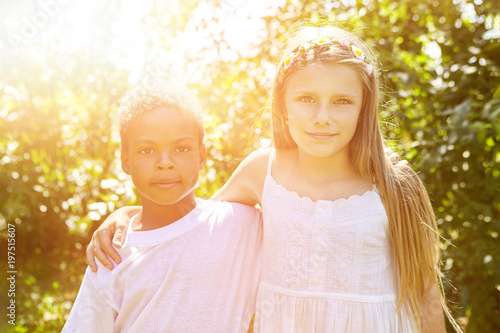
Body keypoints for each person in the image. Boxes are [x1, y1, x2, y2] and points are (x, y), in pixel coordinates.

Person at [88, 23, 462, 332]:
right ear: (282, 106)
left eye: (342, 101)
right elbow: (194, 225)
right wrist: (127, 215)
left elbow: (425, 292)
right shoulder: (261, 171)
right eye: (306, 99)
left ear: (364, 108)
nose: (322, 116)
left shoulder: (394, 183)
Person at [63, 85, 262, 333]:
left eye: (181, 148)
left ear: (202, 156)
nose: (165, 163)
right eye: (147, 150)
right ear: (125, 160)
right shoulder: (111, 254)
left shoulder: (242, 227)